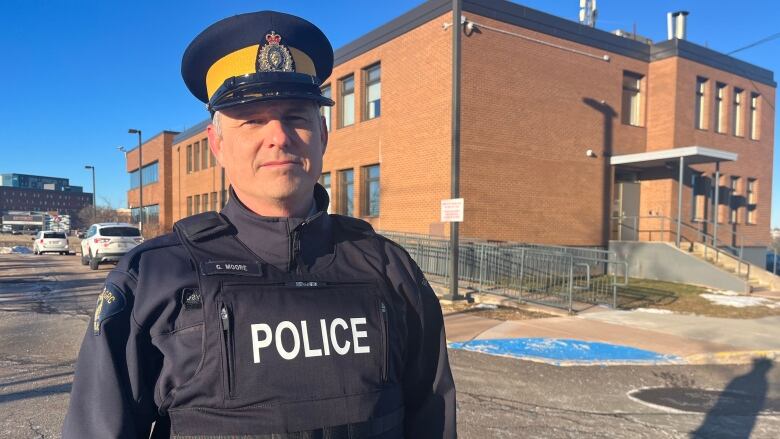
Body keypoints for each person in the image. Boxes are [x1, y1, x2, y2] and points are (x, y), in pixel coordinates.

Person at [63, 10, 456, 439]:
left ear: (322, 134)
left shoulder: (390, 270)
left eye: (295, 117)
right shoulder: (152, 280)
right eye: (252, 120)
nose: (279, 137)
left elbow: (431, 418)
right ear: (217, 144)